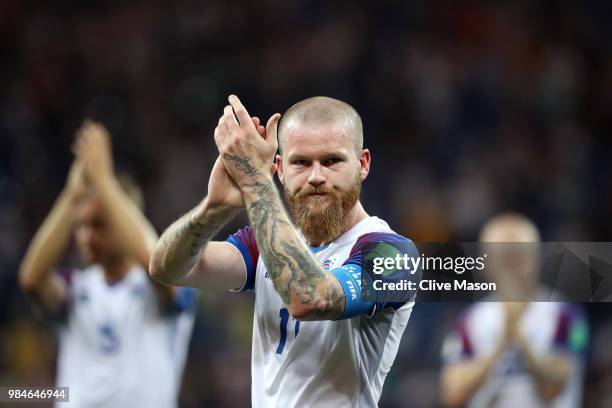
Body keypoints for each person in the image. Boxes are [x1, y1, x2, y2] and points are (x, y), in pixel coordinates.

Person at [150, 95, 420, 407]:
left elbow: (310, 297)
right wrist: (214, 208)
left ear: (363, 164)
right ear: (280, 169)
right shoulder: (264, 242)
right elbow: (166, 268)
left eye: (332, 161)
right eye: (301, 162)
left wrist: (255, 182)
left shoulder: (392, 252)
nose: (316, 176)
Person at [19, 120, 196, 408]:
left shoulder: (167, 284)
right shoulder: (75, 288)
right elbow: (31, 279)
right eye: (82, 226)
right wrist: (71, 196)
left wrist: (104, 179)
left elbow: (155, 262)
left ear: (123, 224)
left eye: (99, 225)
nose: (86, 236)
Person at [441, 213, 588, 408]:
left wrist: (521, 340)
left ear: (536, 258)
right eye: (504, 259)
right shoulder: (469, 321)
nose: (512, 269)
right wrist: (501, 344)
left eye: (520, 257)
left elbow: (554, 387)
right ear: (487, 264)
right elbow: (452, 394)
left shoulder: (564, 315)